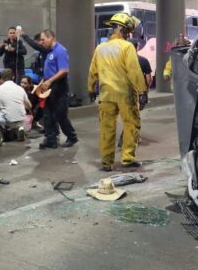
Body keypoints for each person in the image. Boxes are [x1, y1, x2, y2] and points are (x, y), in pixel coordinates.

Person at [87, 13, 147, 171]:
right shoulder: (127, 47)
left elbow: (93, 71)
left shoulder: (100, 48)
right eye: (127, 31)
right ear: (122, 30)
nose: (129, 35)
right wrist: (142, 91)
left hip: (106, 95)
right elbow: (134, 71)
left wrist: (91, 88)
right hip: (125, 94)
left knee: (107, 128)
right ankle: (127, 158)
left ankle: (107, 162)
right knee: (131, 124)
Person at [37, 29, 78, 149]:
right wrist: (43, 82)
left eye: (43, 39)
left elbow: (64, 70)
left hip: (59, 86)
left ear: (52, 38)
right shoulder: (49, 52)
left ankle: (72, 137)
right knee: (47, 114)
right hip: (49, 86)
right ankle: (51, 139)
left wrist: (50, 81)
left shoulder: (60, 51)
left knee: (60, 114)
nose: (41, 42)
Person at [0, 68, 30, 141]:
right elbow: (29, 106)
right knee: (17, 121)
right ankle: (19, 129)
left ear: (2, 78)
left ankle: (0, 136)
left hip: (7, 120)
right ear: (13, 77)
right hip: (21, 119)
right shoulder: (20, 88)